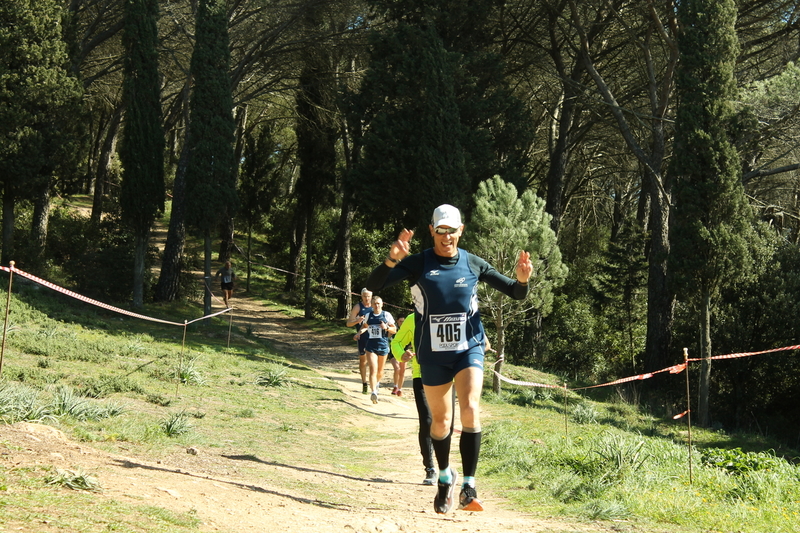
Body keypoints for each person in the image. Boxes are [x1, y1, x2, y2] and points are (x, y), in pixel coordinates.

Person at [366, 204, 532, 514]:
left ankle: (469, 485)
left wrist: (522, 280)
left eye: (451, 231)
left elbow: (515, 293)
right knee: (440, 422)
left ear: (460, 230)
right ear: (432, 231)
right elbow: (374, 285)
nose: (446, 237)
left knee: (469, 409)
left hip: (468, 348)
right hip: (432, 354)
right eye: (440, 231)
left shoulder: (471, 262)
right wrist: (392, 259)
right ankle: (445, 477)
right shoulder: (417, 263)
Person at [391, 312, 455, 486]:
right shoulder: (413, 319)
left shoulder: (450, 316)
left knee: (447, 424)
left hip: (448, 377)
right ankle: (430, 468)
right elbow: (396, 342)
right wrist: (400, 355)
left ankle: (445, 467)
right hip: (422, 376)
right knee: (427, 421)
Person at [356, 295, 396, 404]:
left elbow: (394, 330)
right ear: (372, 305)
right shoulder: (369, 315)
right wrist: (359, 333)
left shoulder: (386, 315)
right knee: (373, 369)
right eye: (375, 303)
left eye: (379, 303)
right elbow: (365, 326)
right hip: (371, 346)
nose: (377, 305)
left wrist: (386, 328)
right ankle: (373, 392)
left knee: (380, 371)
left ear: (382, 304)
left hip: (383, 345)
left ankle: (377, 383)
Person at [345, 288, 373, 394]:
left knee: (373, 361)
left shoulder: (375, 305)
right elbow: (348, 323)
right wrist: (357, 321)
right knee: (363, 361)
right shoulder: (358, 307)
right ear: (361, 296)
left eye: (369, 296)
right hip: (362, 337)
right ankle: (364, 383)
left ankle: (374, 383)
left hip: (375, 337)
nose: (367, 298)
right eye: (365, 296)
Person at [387, 316, 407, 396]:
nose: (402, 323)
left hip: (404, 352)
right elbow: (387, 337)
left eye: (403, 321)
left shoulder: (407, 330)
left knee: (402, 371)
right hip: (393, 353)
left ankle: (400, 389)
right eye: (401, 321)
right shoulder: (394, 330)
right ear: (397, 322)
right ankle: (395, 386)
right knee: (397, 368)